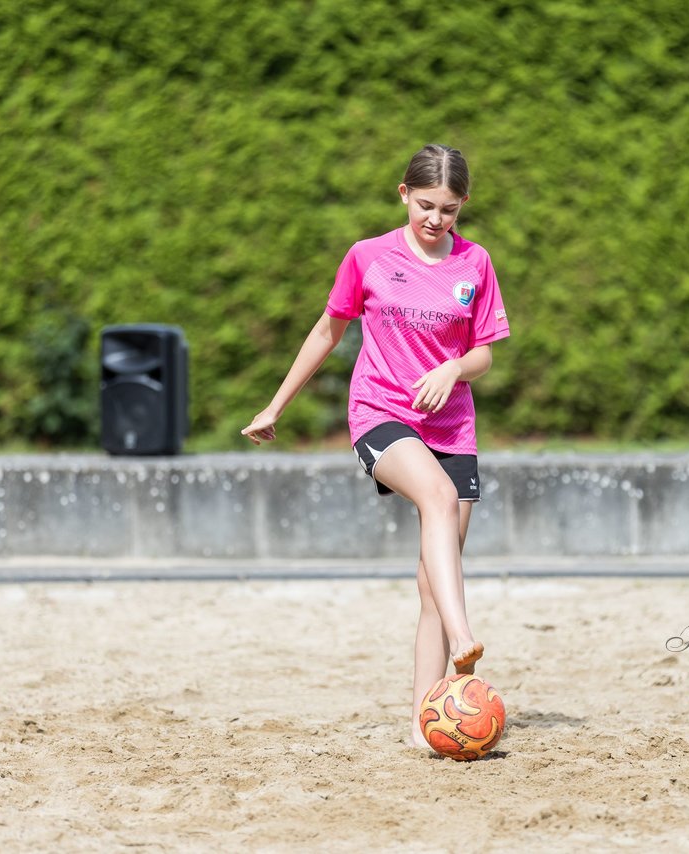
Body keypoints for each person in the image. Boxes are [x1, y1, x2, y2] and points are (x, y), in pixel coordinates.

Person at [241, 143, 510, 749]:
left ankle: (426, 722)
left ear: (463, 205)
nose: (435, 219)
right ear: (402, 195)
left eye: (449, 209)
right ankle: (466, 639)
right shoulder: (368, 257)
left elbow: (485, 353)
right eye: (424, 205)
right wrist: (275, 405)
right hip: (381, 413)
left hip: (452, 426)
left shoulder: (476, 263)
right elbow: (327, 330)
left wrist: (453, 370)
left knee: (431, 582)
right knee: (436, 500)